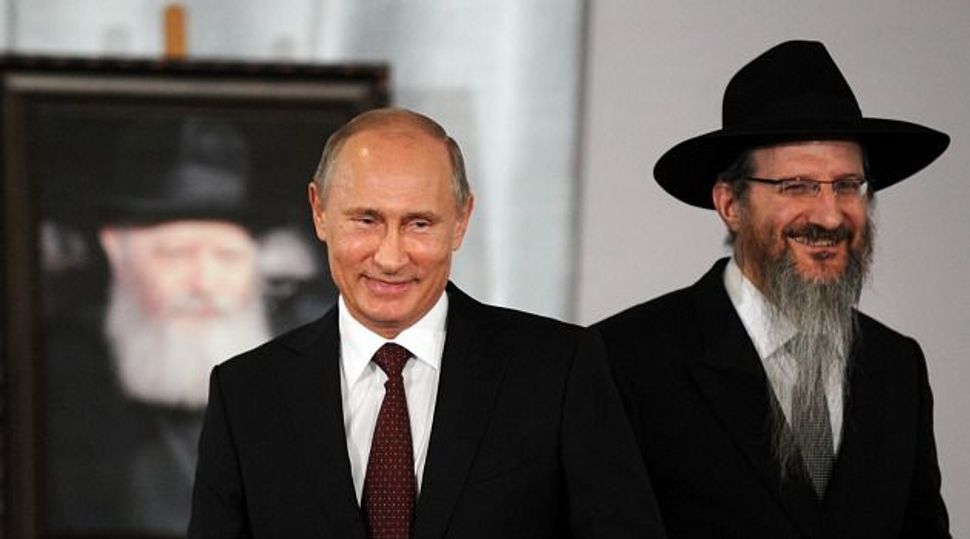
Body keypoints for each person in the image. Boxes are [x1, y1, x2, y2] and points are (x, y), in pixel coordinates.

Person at [189, 107, 665, 538]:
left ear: (461, 220)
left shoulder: (559, 370)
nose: (391, 257)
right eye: (366, 221)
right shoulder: (247, 393)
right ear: (320, 212)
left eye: (419, 223)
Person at [595, 40, 951, 538]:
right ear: (730, 205)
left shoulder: (896, 367)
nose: (830, 215)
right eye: (797, 186)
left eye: (847, 186)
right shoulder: (623, 361)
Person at [46, 120, 274, 534]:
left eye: (227, 256)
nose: (204, 283)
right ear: (116, 251)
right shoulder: (59, 376)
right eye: (174, 255)